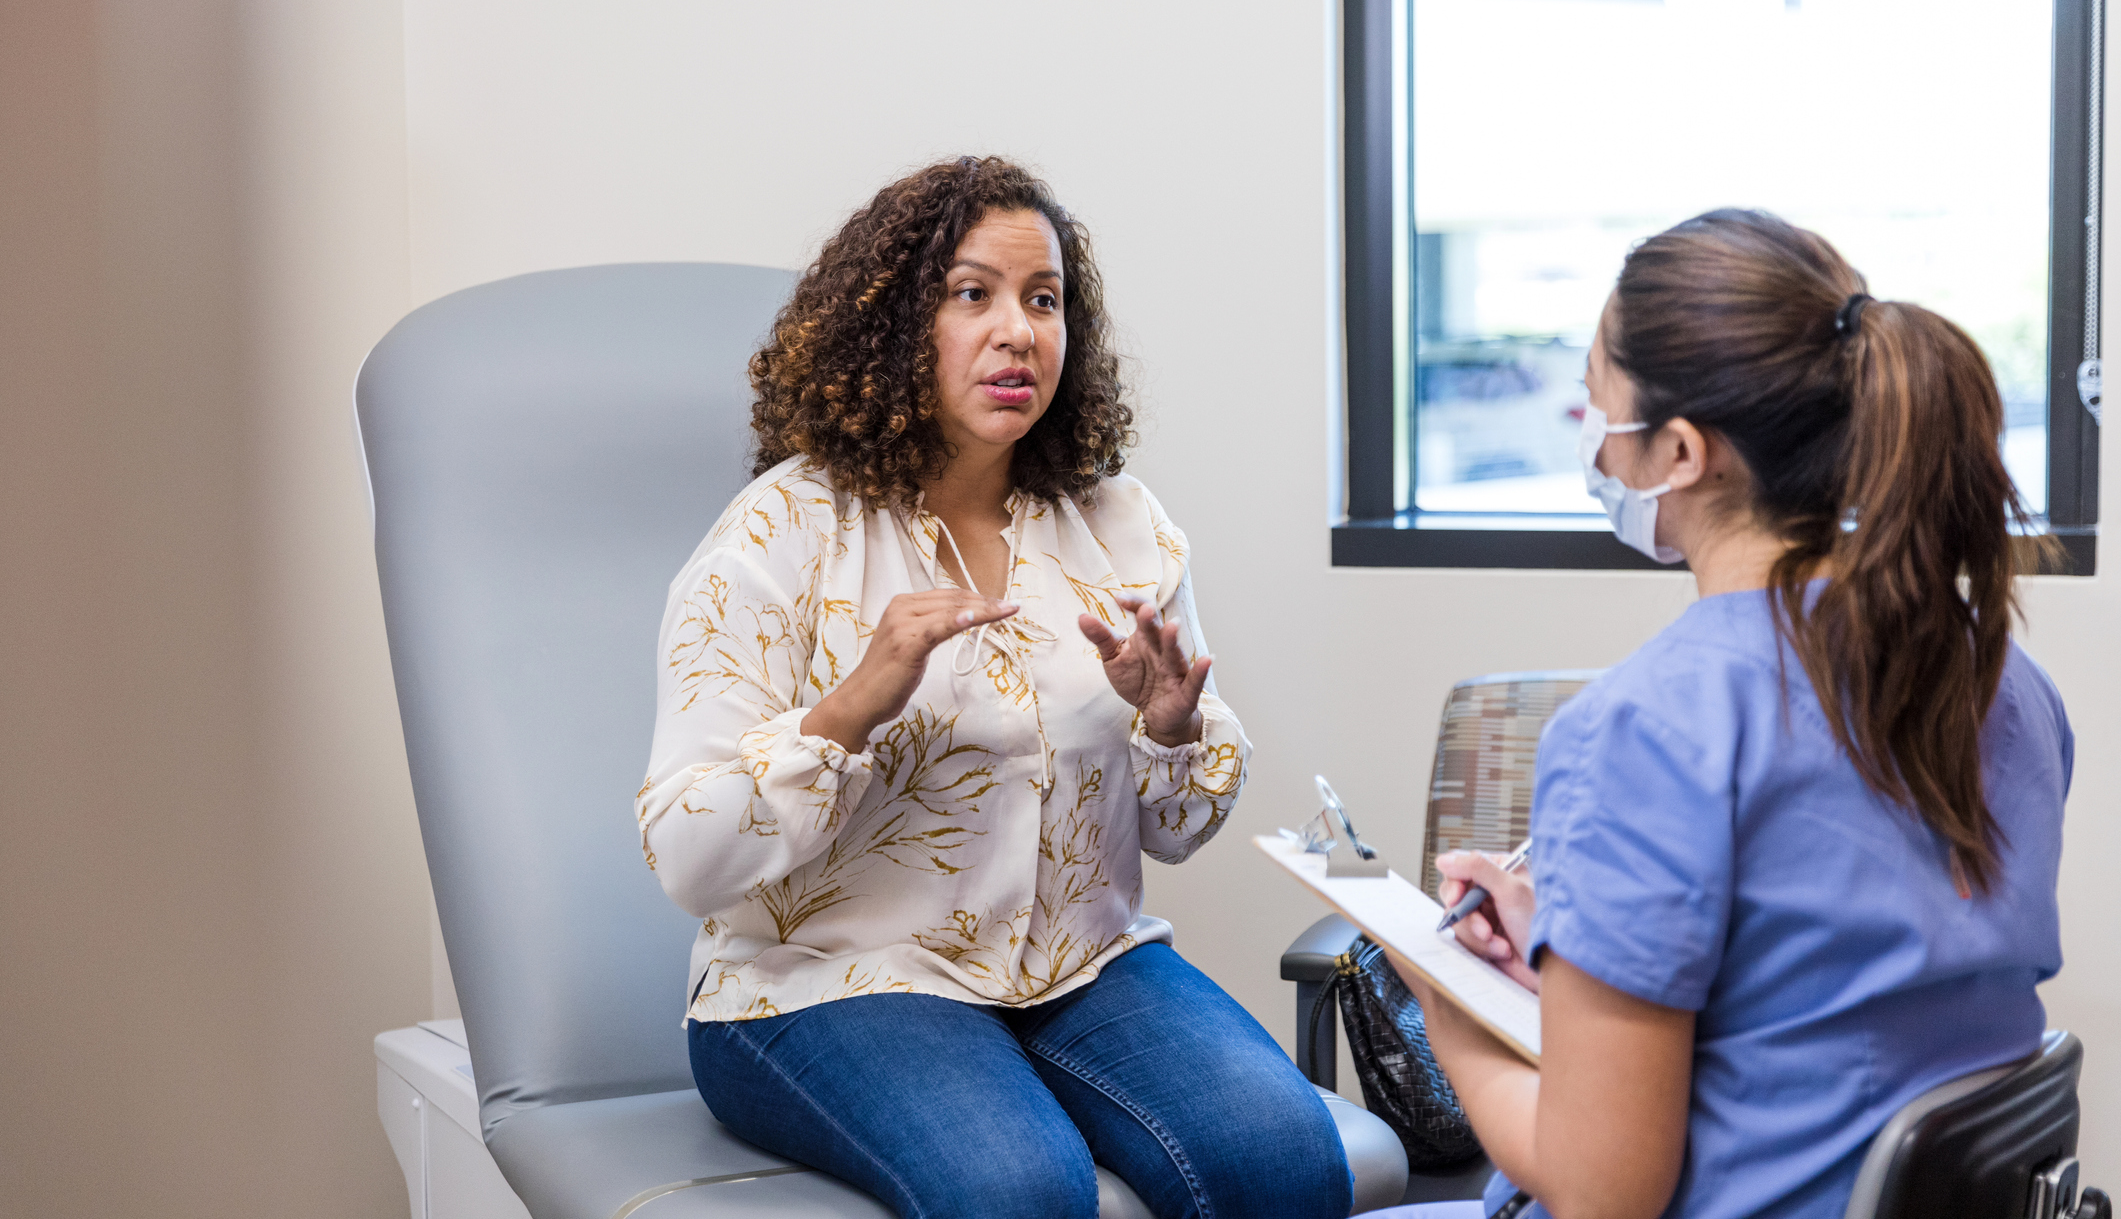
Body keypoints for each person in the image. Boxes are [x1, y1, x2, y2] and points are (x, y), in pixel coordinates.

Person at [635, 156, 1352, 1219]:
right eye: (973, 294)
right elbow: (686, 855)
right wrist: (849, 708)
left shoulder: (1119, 524)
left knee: (1289, 1161)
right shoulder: (777, 534)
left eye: (1044, 299)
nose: (1018, 330)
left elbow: (1176, 828)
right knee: (1020, 1193)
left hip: (1081, 967)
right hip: (827, 983)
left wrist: (1170, 725)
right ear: (892, 327)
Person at [1375, 210, 2072, 1219]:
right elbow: (1831, 995)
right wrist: (1581, 943)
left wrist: (1449, 1010)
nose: (1596, 452)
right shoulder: (2000, 676)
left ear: (1683, 453)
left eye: (1598, 413)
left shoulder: (1646, 729)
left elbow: (1602, 1191)